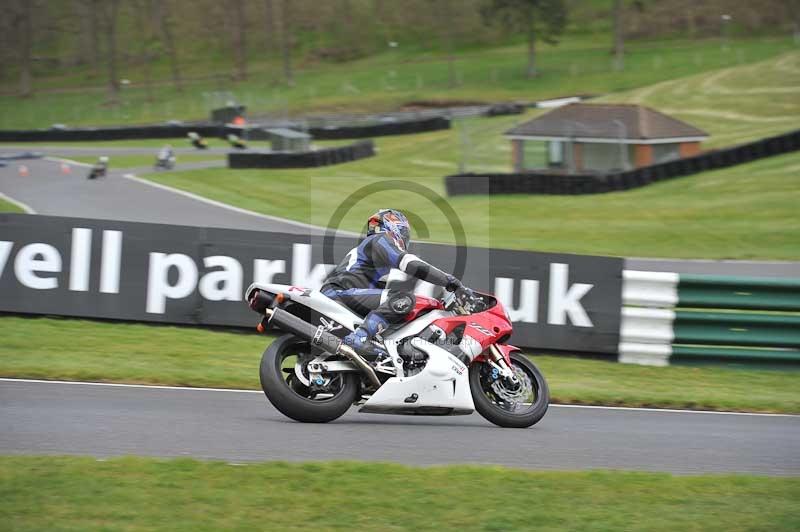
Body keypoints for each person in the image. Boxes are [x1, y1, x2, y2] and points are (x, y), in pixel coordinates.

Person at [320, 209, 473, 360]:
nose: (405, 238)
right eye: (404, 232)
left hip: (342, 293)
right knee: (404, 299)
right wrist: (450, 281)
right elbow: (410, 264)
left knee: (394, 307)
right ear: (393, 228)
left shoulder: (374, 256)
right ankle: (360, 337)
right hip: (339, 293)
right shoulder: (380, 239)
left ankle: (368, 340)